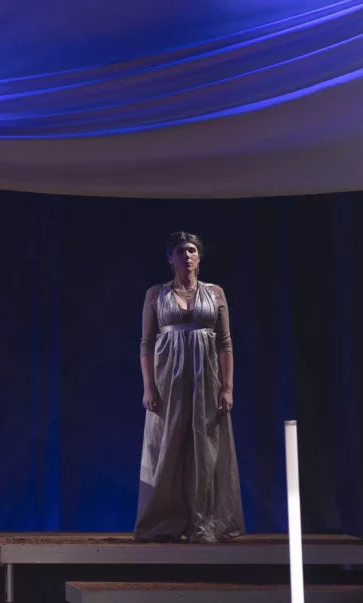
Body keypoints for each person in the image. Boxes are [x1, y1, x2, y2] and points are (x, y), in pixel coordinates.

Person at [134, 231, 244, 542]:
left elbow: (225, 343)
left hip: (206, 379)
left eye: (192, 250)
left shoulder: (215, 293)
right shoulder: (156, 294)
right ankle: (164, 522)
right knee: (167, 446)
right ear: (170, 258)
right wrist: (148, 387)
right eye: (181, 251)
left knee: (205, 448)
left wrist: (227, 387)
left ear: (200, 256)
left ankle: (204, 521)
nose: (187, 255)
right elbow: (146, 343)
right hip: (167, 378)